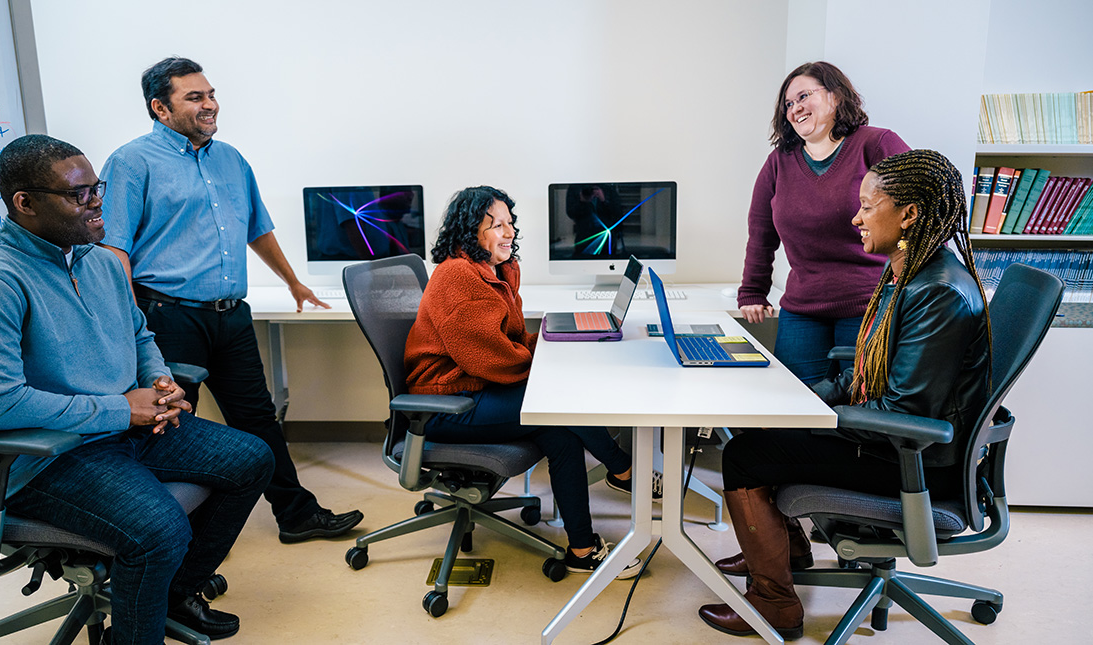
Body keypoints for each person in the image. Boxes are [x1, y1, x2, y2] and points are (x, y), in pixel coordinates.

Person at [0, 134, 275, 644]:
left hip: (124, 430)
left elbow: (140, 335)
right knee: (159, 530)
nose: (97, 202)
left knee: (251, 457)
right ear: (25, 203)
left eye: (96, 188)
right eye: (78, 195)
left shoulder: (98, 261)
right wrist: (120, 410)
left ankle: (172, 595)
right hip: (48, 456)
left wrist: (158, 383)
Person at [699, 149, 992, 639]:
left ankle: (773, 605)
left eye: (867, 206)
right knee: (761, 430)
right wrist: (801, 401)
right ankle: (786, 552)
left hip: (915, 459)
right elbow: (863, 374)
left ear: (909, 214)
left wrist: (810, 419)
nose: (855, 218)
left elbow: (905, 410)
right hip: (901, 443)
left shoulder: (937, 290)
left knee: (745, 456)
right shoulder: (910, 268)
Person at [99, 57, 363, 544]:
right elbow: (114, 249)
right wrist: (127, 322)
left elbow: (256, 229)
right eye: (194, 97)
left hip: (229, 316)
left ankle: (296, 514)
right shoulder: (131, 163)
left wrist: (293, 282)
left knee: (257, 417)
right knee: (173, 428)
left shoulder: (231, 159)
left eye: (211, 94)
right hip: (166, 316)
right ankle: (173, 533)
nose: (210, 105)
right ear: (160, 108)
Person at [404, 186, 655, 578]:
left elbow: (508, 343)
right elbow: (490, 358)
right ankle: (623, 468)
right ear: (471, 231)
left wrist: (554, 343)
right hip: (446, 403)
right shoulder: (458, 277)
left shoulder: (494, 271)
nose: (508, 232)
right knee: (559, 405)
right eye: (496, 225)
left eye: (510, 223)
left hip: (476, 387)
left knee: (563, 436)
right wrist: (546, 359)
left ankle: (582, 549)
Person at [738, 61, 911, 384]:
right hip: (803, 309)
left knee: (860, 411)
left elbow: (921, 209)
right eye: (788, 104)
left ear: (835, 96)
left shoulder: (876, 144)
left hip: (869, 303)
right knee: (795, 411)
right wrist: (752, 292)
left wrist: (909, 278)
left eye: (804, 96)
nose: (795, 108)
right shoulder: (779, 161)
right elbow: (761, 233)